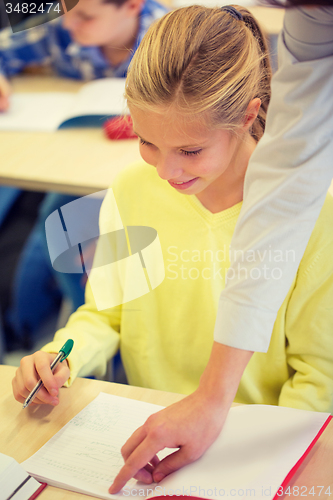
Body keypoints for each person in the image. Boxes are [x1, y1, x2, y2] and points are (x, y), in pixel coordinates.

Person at [11, 4, 333, 494]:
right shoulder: (133, 188)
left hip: (251, 451)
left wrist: (228, 444)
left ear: (248, 116)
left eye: (190, 150)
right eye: (147, 142)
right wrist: (62, 355)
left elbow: (318, 377)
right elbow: (106, 314)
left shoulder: (317, 216)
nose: (165, 172)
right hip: (147, 436)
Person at [0, 0, 168, 350]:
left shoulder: (167, 41)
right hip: (72, 159)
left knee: (62, 224)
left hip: (155, 169)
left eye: (86, 17)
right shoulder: (62, 26)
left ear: (132, 6)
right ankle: (69, 324)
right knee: (54, 222)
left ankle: (92, 325)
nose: (68, 23)